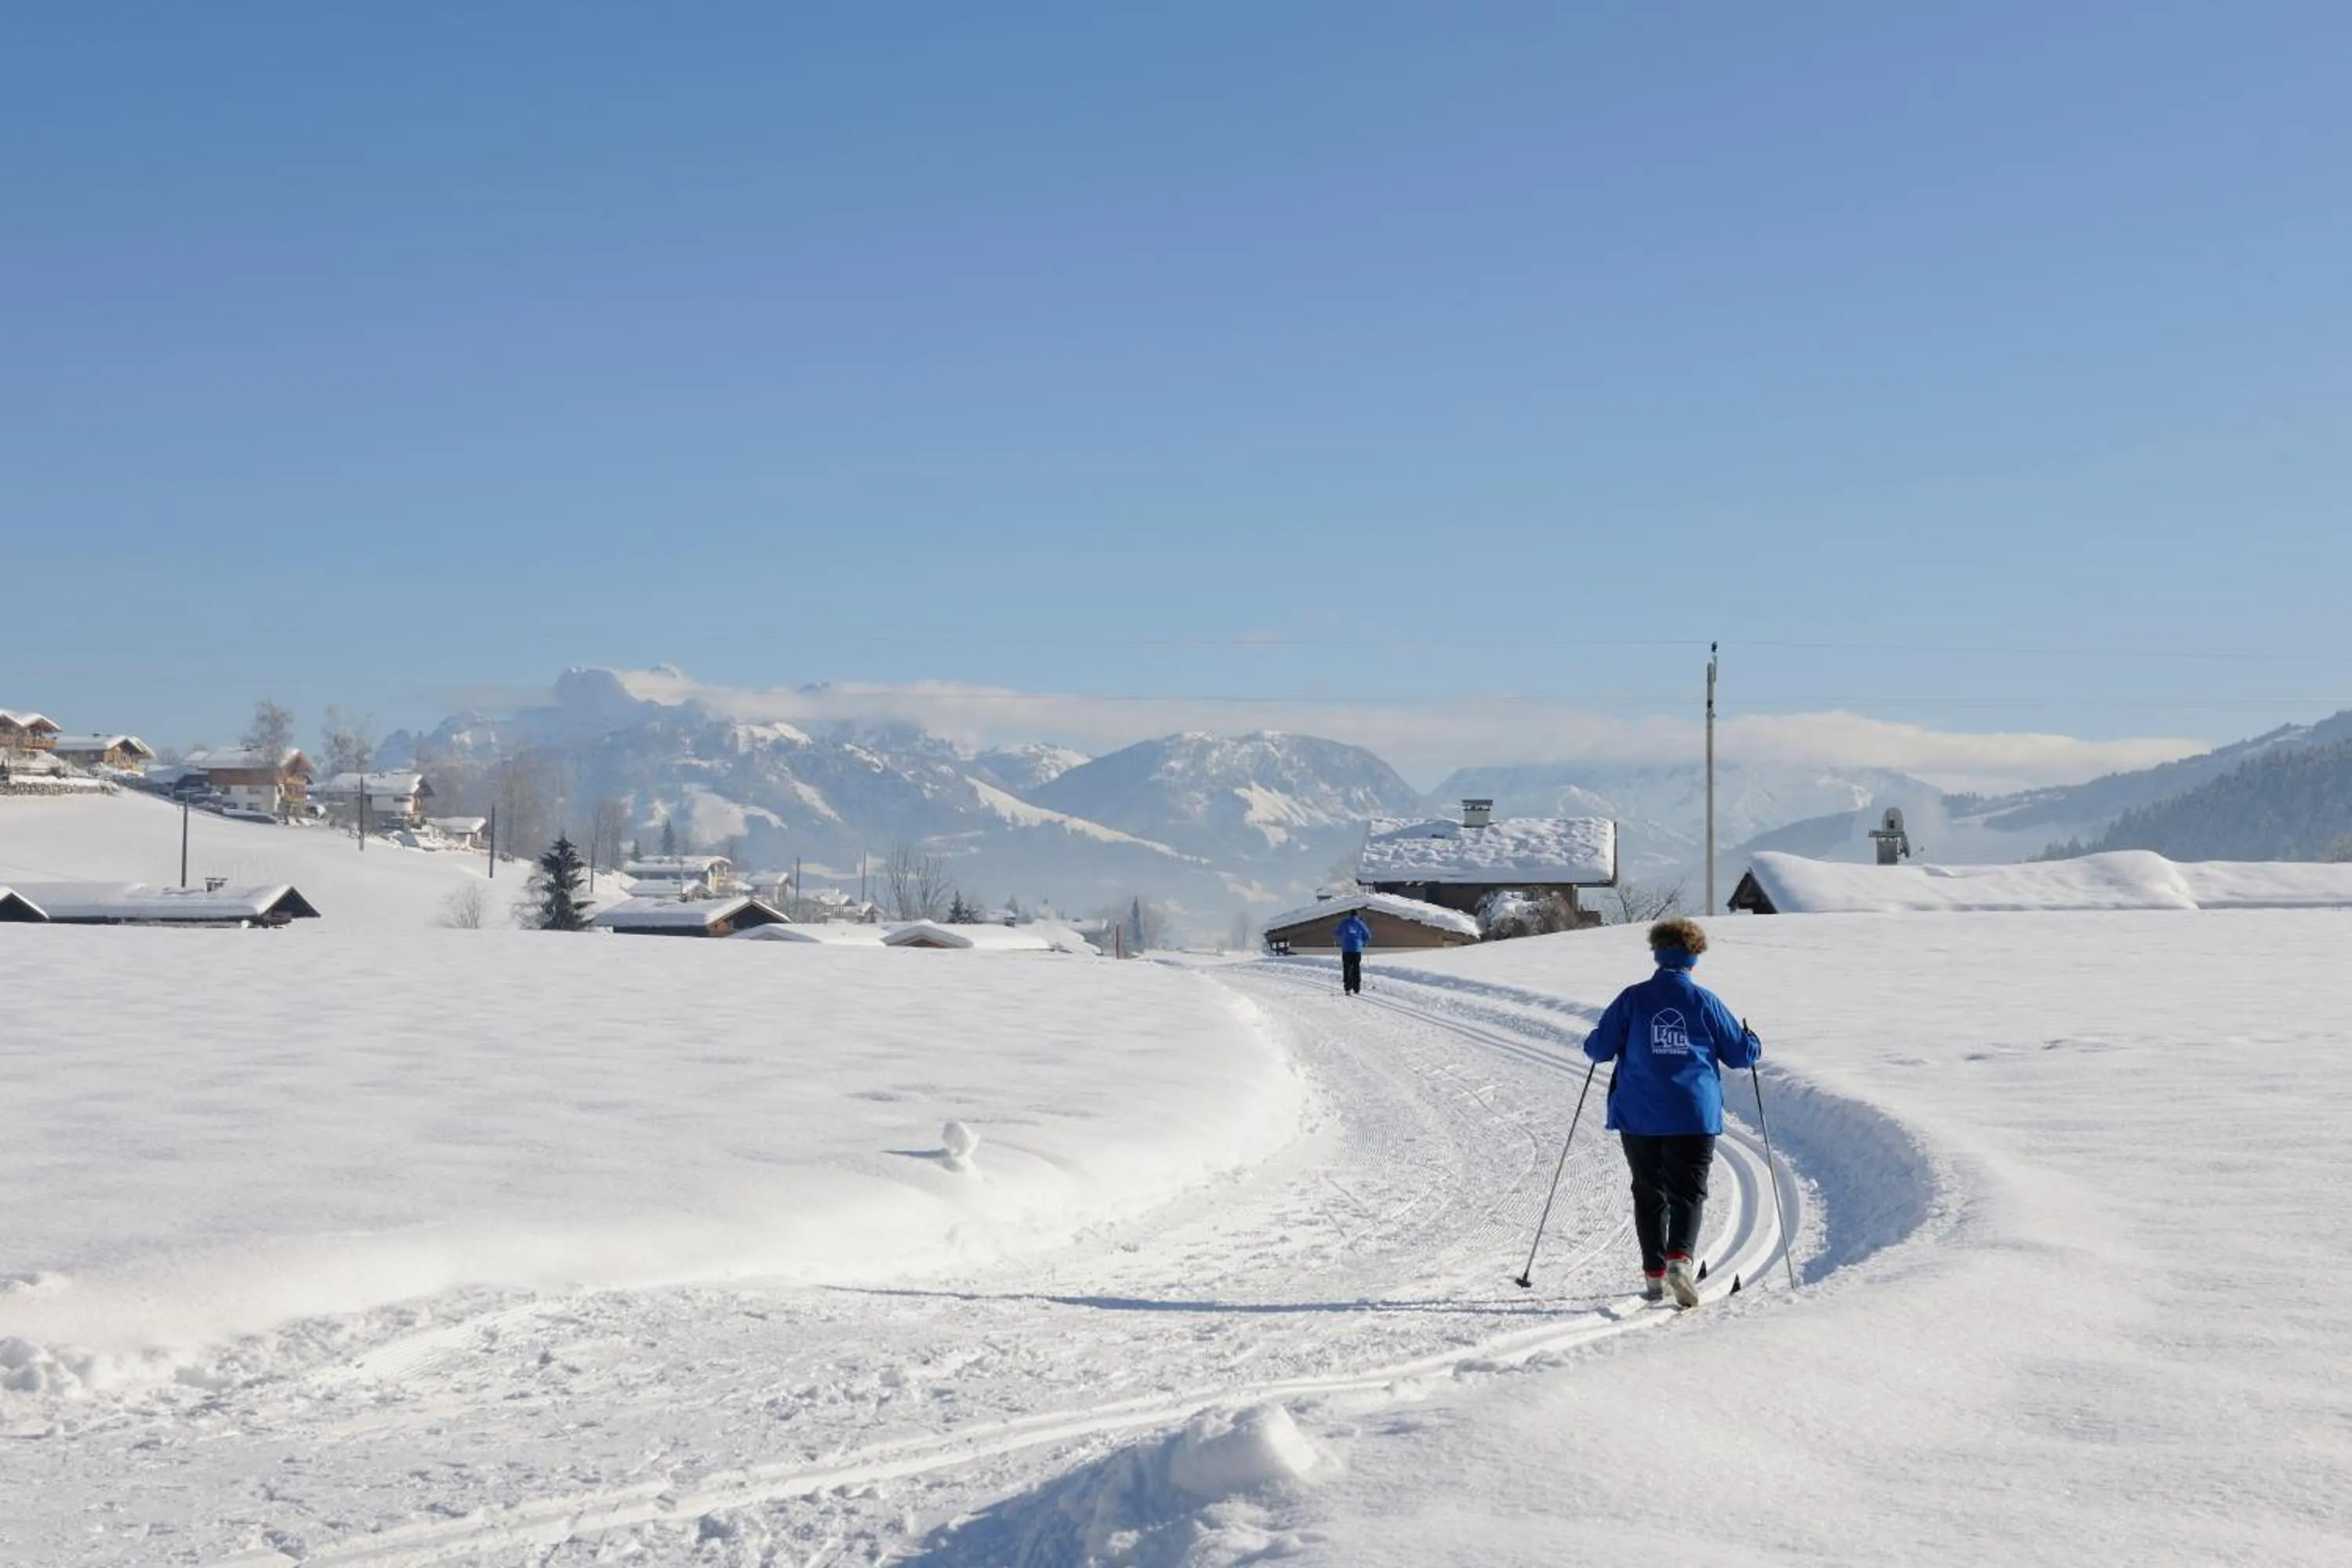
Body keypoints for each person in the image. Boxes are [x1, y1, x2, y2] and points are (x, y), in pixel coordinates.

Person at [1581, 916, 1761, 1307]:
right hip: (1693, 1113)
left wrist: (1597, 1036)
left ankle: (1654, 1275)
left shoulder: (1632, 998)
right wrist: (1753, 1040)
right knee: (1687, 1193)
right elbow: (1739, 1055)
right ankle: (1680, 1259)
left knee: (1649, 1193)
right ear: (1694, 958)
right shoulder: (1705, 1001)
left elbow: (1599, 1050)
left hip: (1640, 1113)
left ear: (1657, 953)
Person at [1334, 907, 1372, 995]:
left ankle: (1347, 988)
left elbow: (1337, 932)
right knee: (1356, 968)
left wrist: (1343, 937)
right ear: (1357, 915)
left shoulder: (1344, 923)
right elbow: (1368, 935)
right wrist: (1363, 940)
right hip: (1357, 949)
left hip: (1346, 949)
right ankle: (1356, 988)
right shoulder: (1360, 924)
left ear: (1350, 915)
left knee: (1347, 968)